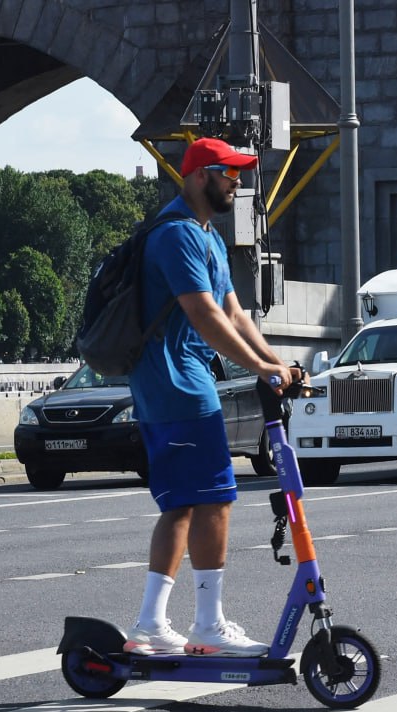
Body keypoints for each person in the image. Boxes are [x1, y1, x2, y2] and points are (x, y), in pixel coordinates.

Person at [124, 137, 296, 657]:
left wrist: (277, 363)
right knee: (215, 497)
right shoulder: (175, 235)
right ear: (200, 176)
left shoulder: (208, 237)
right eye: (229, 173)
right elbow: (204, 315)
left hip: (187, 377)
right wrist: (261, 369)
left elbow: (237, 315)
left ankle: (153, 624)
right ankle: (206, 625)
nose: (237, 182)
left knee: (184, 503)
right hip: (174, 382)